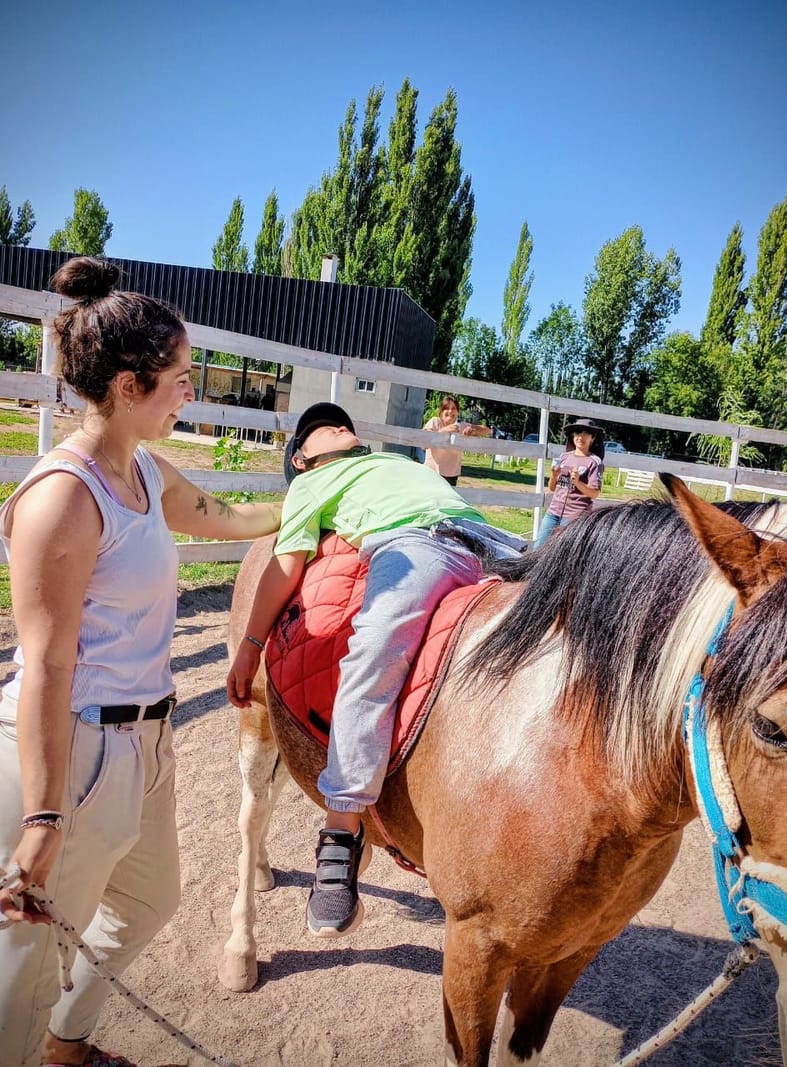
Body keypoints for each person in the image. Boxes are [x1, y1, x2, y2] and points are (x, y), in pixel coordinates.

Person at [0, 257, 283, 1067]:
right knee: (26, 961)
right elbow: (47, 667)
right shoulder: (65, 496)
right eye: (180, 380)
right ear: (129, 386)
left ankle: (65, 1045)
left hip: (144, 743)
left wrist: (319, 502)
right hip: (77, 748)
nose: (189, 393)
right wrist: (45, 816)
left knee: (151, 899)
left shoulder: (148, 472)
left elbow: (227, 515)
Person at [227, 402, 526, 939]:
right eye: (320, 430)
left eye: (342, 422)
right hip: (415, 546)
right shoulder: (310, 487)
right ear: (302, 459)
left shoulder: (396, 462)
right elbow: (287, 561)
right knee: (376, 645)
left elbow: (448, 473)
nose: (337, 425)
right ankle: (342, 828)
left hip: (493, 543)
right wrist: (251, 643)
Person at [535, 418, 605, 547]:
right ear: (573, 436)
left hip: (575, 516)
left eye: (585, 434)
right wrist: (554, 475)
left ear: (593, 438)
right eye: (578, 433)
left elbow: (594, 493)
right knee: (538, 547)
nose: (580, 437)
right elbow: (552, 488)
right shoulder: (564, 457)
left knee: (561, 553)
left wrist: (577, 482)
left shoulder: (594, 462)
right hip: (553, 512)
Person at [422, 395, 492, 485]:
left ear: (458, 412)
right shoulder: (435, 422)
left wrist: (474, 430)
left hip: (451, 476)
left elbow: (487, 430)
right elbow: (423, 444)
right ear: (441, 411)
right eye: (446, 408)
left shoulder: (460, 426)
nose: (450, 411)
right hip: (431, 472)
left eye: (454, 408)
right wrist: (443, 431)